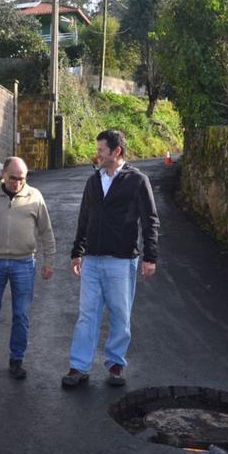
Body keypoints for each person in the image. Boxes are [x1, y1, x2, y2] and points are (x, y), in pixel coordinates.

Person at [62, 129, 159, 388]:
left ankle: (115, 364)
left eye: (102, 151)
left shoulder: (137, 180)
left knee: (120, 314)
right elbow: (84, 217)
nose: (98, 155)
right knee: (87, 315)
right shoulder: (93, 181)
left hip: (122, 259)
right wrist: (77, 251)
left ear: (116, 152)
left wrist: (150, 256)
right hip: (92, 260)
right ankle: (79, 367)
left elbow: (150, 221)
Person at [0, 157, 56, 379]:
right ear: (3, 174)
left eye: (22, 178)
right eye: (13, 178)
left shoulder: (35, 196)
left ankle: (17, 360)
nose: (18, 182)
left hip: (24, 263)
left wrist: (49, 261)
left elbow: (46, 231)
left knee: (21, 315)